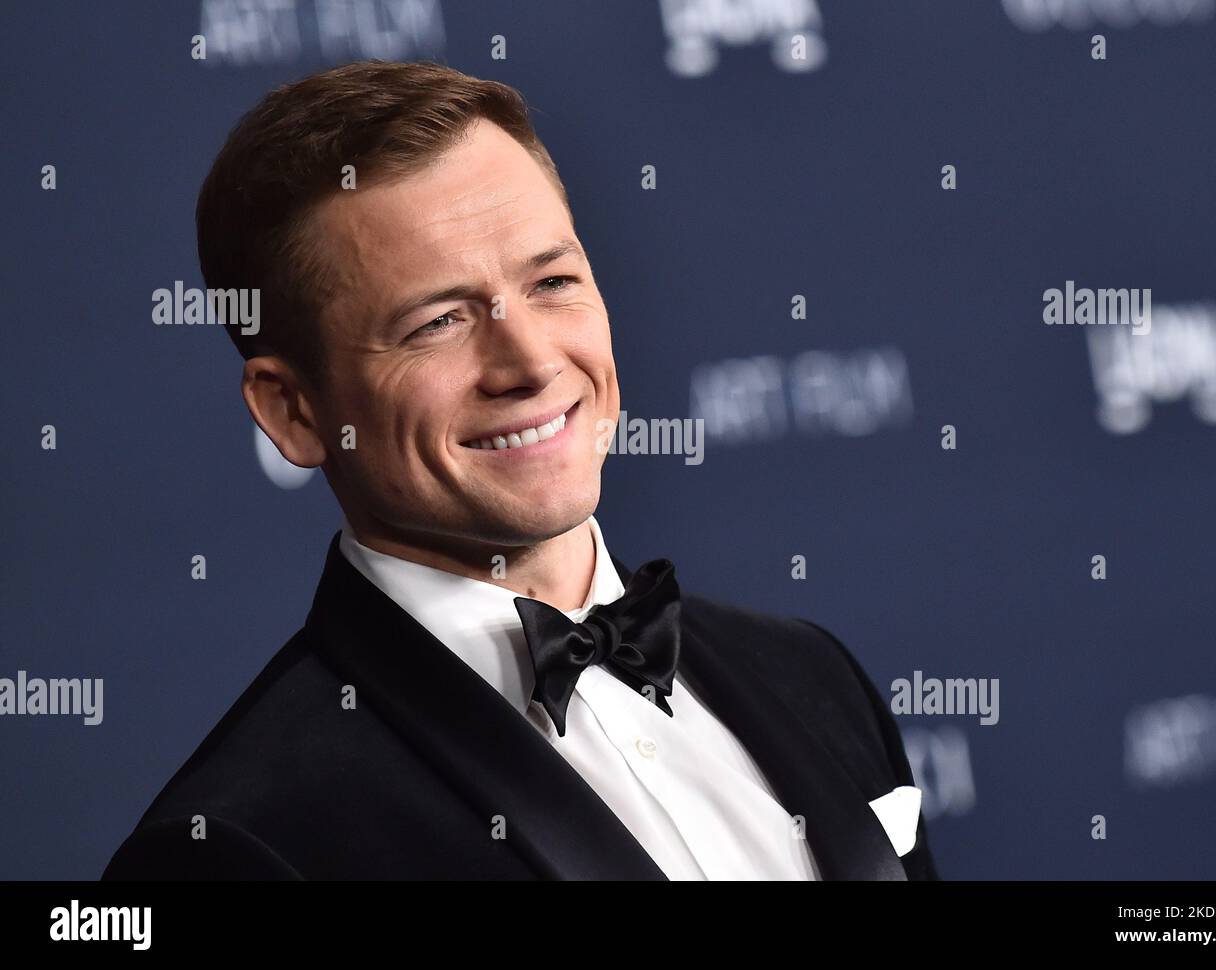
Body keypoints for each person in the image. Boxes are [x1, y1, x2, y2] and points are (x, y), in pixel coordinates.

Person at [103, 60, 938, 881]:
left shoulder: (812, 675)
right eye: (438, 322)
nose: (532, 362)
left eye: (552, 281)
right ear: (293, 411)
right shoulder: (240, 846)